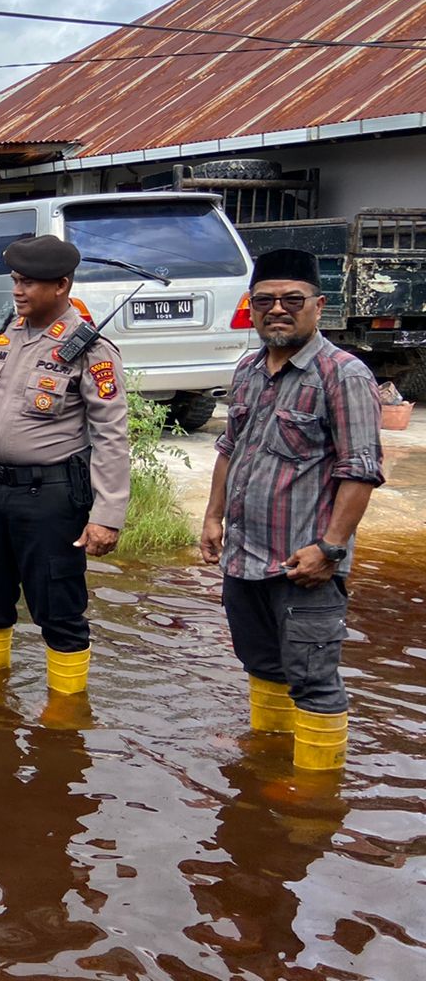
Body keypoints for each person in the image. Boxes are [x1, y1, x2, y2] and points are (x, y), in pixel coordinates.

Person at [200, 247, 383, 773]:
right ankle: (272, 763)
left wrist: (330, 548)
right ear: (251, 306)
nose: (277, 309)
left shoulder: (342, 375)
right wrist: (214, 518)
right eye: (264, 300)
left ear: (318, 305)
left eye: (292, 299)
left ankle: (314, 796)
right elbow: (228, 449)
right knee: (261, 666)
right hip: (245, 558)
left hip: (304, 565)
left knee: (314, 680)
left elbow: (360, 469)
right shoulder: (249, 369)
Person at [0, 234, 130, 699]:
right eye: (15, 280)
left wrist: (107, 515)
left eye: (28, 283)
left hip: (50, 497)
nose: (17, 291)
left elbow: (112, 438)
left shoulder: (91, 350)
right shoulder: (2, 337)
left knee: (58, 604)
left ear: (61, 285)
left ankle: (65, 703)